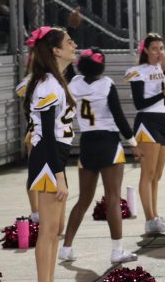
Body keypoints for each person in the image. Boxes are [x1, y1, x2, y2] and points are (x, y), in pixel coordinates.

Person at [59, 47, 142, 263]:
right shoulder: (106, 84)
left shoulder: (74, 84)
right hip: (108, 141)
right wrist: (133, 142)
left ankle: (66, 247)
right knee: (113, 198)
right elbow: (119, 115)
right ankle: (117, 251)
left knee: (83, 200)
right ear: (102, 66)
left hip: (86, 142)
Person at [23, 26, 76, 282]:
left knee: (56, 229)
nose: (73, 45)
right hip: (48, 157)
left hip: (54, 156)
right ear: (56, 50)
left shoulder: (55, 80)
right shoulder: (48, 84)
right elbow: (45, 133)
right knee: (49, 230)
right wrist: (59, 175)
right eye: (68, 41)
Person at [125, 33, 165, 234]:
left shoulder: (164, 69)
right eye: (154, 48)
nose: (158, 52)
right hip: (147, 122)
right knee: (147, 174)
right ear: (145, 50)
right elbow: (139, 103)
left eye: (161, 48)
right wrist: (163, 94)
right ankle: (149, 219)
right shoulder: (138, 71)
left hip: (162, 121)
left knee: (157, 175)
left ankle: (155, 216)